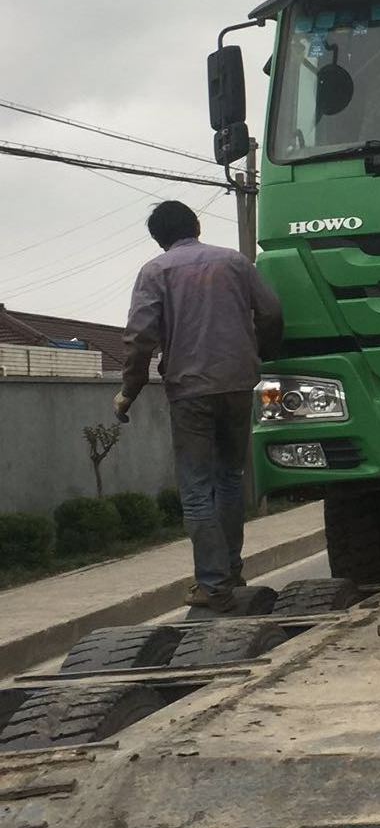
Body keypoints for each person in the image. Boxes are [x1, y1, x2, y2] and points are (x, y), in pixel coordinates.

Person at [116, 201, 283, 612]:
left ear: (158, 238)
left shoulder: (155, 272)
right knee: (229, 479)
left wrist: (129, 391)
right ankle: (230, 570)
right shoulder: (235, 263)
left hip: (189, 389)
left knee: (196, 489)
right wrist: (258, 354)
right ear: (197, 225)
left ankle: (212, 584)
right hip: (237, 383)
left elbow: (140, 337)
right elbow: (272, 312)